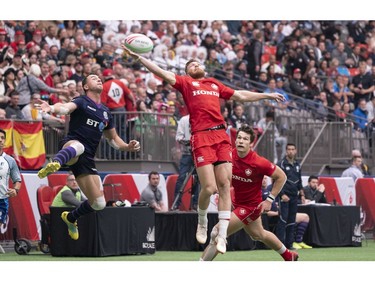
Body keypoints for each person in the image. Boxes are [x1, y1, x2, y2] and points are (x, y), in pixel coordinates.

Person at [122, 43, 285, 254]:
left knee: (225, 184)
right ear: (187, 71)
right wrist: (140, 59)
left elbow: (241, 95)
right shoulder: (186, 83)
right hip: (200, 137)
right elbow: (161, 72)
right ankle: (202, 221)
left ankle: (223, 235)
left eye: (197, 63)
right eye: (191, 64)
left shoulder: (214, 84)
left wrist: (267, 95)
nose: (195, 65)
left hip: (220, 135)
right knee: (209, 188)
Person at [36, 73, 140, 240]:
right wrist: (51, 108)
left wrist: (127, 146)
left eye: (99, 78)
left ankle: (70, 218)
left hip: (88, 159)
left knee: (98, 204)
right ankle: (55, 162)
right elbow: (65, 108)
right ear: (85, 86)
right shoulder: (81, 101)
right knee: (78, 146)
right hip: (71, 146)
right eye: (93, 78)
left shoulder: (106, 112)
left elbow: (113, 139)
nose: (98, 79)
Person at [200, 124, 298, 261]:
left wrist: (270, 199)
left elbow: (282, 177)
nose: (241, 141)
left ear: (251, 143)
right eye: (239, 138)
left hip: (251, 207)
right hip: (236, 203)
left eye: (245, 139)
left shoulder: (258, 162)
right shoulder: (229, 156)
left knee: (217, 232)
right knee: (259, 234)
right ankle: (288, 256)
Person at [261, 176, 312, 250]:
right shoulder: (263, 190)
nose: (264, 180)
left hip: (279, 212)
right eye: (262, 178)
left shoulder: (270, 191)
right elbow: (262, 210)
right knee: (296, 218)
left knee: (305, 217)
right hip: (271, 217)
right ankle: (287, 242)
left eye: (265, 178)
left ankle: (298, 241)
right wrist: (276, 213)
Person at [276, 143, 306, 250]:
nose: (291, 151)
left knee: (292, 221)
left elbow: (299, 181)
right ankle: (279, 245)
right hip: (284, 196)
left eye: (293, 149)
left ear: (296, 151)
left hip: (294, 197)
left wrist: (302, 194)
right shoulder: (281, 164)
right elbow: (276, 180)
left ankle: (289, 244)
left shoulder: (297, 165)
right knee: (283, 220)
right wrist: (282, 194)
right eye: (289, 149)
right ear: (286, 151)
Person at [0, 129, 22, 254]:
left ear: (4, 141)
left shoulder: (10, 160)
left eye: (2, 138)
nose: (0, 140)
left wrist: (15, 190)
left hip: (2, 199)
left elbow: (17, 180)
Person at [171, 114, 199, 211]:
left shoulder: (203, 118)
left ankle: (195, 204)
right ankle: (176, 204)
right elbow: (179, 137)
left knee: (199, 179)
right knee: (182, 177)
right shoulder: (184, 119)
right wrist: (190, 142)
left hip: (200, 153)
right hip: (187, 153)